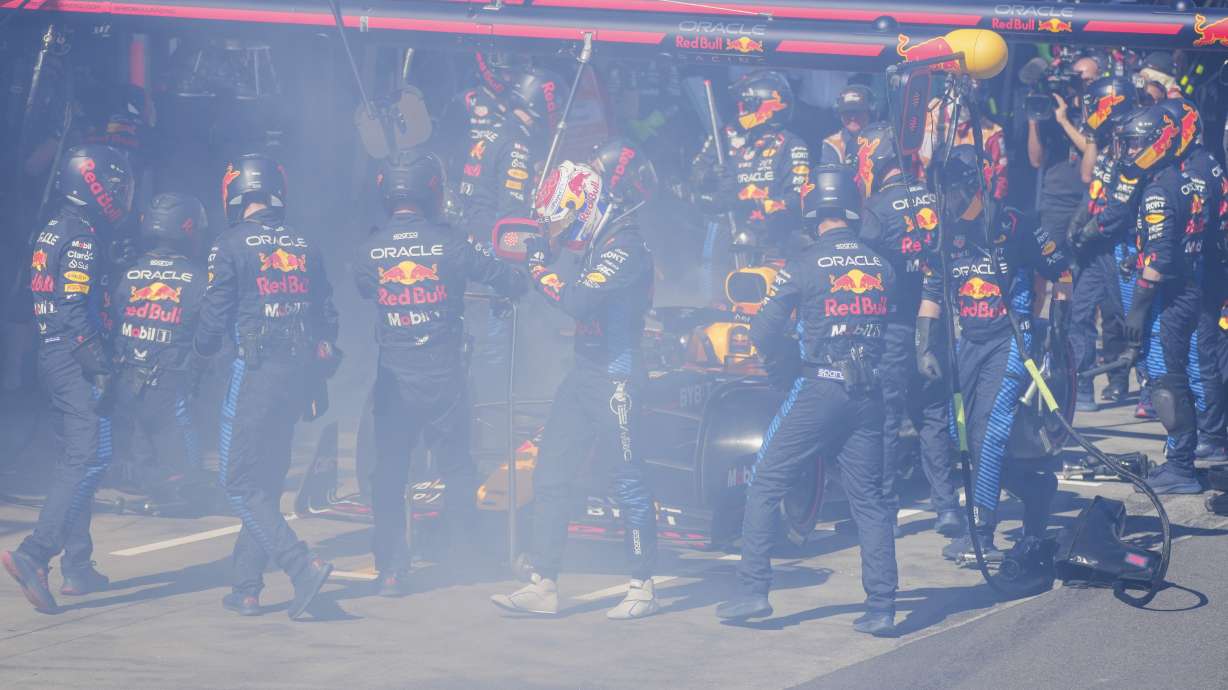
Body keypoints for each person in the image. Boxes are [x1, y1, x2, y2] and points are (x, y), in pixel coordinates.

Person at [715, 164, 899, 636]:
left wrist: (782, 366)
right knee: (871, 502)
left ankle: (753, 591)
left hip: (820, 386)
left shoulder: (801, 264)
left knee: (765, 481)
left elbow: (762, 329)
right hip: (869, 393)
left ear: (813, 215)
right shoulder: (882, 267)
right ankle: (882, 606)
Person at [491, 159, 658, 620]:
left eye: (562, 218)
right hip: (584, 373)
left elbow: (578, 300)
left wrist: (539, 268)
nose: (559, 229)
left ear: (584, 207)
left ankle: (643, 583)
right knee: (550, 474)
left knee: (628, 480)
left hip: (618, 376)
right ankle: (544, 582)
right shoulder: (599, 243)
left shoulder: (625, 245)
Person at [354, 151, 526, 596]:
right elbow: (501, 277)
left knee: (390, 474)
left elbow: (362, 285)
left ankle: (391, 569)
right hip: (444, 375)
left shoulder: (370, 249)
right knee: (456, 468)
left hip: (393, 378)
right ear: (432, 189)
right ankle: (464, 554)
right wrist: (524, 275)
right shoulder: (451, 242)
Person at [194, 153, 340, 619]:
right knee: (266, 482)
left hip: (254, 374)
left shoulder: (229, 244)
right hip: (297, 379)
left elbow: (213, 323)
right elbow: (327, 320)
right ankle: (247, 586)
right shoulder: (305, 244)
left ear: (234, 194)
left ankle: (302, 565)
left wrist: (198, 353)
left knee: (236, 483)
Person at [921, 145, 1072, 563]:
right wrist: (923, 345)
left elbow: (1060, 268)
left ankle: (982, 531)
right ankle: (1037, 490)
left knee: (989, 433)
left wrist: (1055, 333)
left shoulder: (1017, 224)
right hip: (968, 343)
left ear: (973, 187)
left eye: (949, 190)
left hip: (1011, 340)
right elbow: (932, 290)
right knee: (963, 438)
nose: (944, 199)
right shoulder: (943, 230)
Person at [3, 144, 134, 612]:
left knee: (73, 459)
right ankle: (35, 553)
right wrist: (99, 362)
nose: (121, 193)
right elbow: (74, 311)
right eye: (115, 185)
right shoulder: (81, 236)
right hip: (72, 357)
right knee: (91, 455)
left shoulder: (54, 226)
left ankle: (78, 566)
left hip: (50, 356)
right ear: (94, 184)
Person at [853, 123, 960, 538]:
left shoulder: (876, 209)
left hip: (895, 327)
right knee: (933, 416)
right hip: (934, 322)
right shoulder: (933, 198)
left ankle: (885, 507)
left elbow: (865, 270)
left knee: (888, 417)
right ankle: (946, 507)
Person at [1118, 107, 1209, 495]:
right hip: (1189, 287)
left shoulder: (1158, 189)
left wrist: (1136, 313)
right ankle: (1180, 459)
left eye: (1137, 143)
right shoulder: (1186, 180)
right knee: (1175, 376)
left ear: (1159, 141)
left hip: (1169, 296)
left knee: (1167, 381)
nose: (1130, 151)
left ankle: (1180, 467)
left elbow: (1159, 260)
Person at [109, 193, 208, 499]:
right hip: (170, 383)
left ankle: (142, 478)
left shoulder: (125, 272)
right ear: (189, 229)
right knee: (182, 451)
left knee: (139, 433)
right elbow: (210, 336)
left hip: (125, 379)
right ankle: (186, 484)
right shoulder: (199, 279)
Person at [1156, 98, 1228, 463]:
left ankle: (1213, 433)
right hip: (1210, 268)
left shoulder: (1197, 169)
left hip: (1209, 272)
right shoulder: (1201, 161)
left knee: (1205, 353)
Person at [1065, 76, 1138, 408]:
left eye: (1095, 105)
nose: (1089, 110)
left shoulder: (1133, 138)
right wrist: (1082, 220)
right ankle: (1081, 384)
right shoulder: (1105, 139)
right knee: (1078, 315)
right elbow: (1087, 176)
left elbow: (1125, 200)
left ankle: (1141, 385)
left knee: (1121, 320)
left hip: (1121, 244)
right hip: (1094, 250)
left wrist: (1098, 225)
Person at [698, 70, 810, 254]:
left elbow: (797, 200)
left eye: (745, 106)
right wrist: (707, 177)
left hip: (771, 240)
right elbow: (696, 177)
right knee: (707, 280)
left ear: (768, 108)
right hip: (725, 233)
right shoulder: (723, 137)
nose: (740, 112)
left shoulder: (791, 144)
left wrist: (749, 203)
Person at [821, 84, 873, 165]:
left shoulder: (884, 140)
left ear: (870, 113)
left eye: (857, 111)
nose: (852, 117)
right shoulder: (832, 144)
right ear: (840, 116)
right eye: (847, 112)